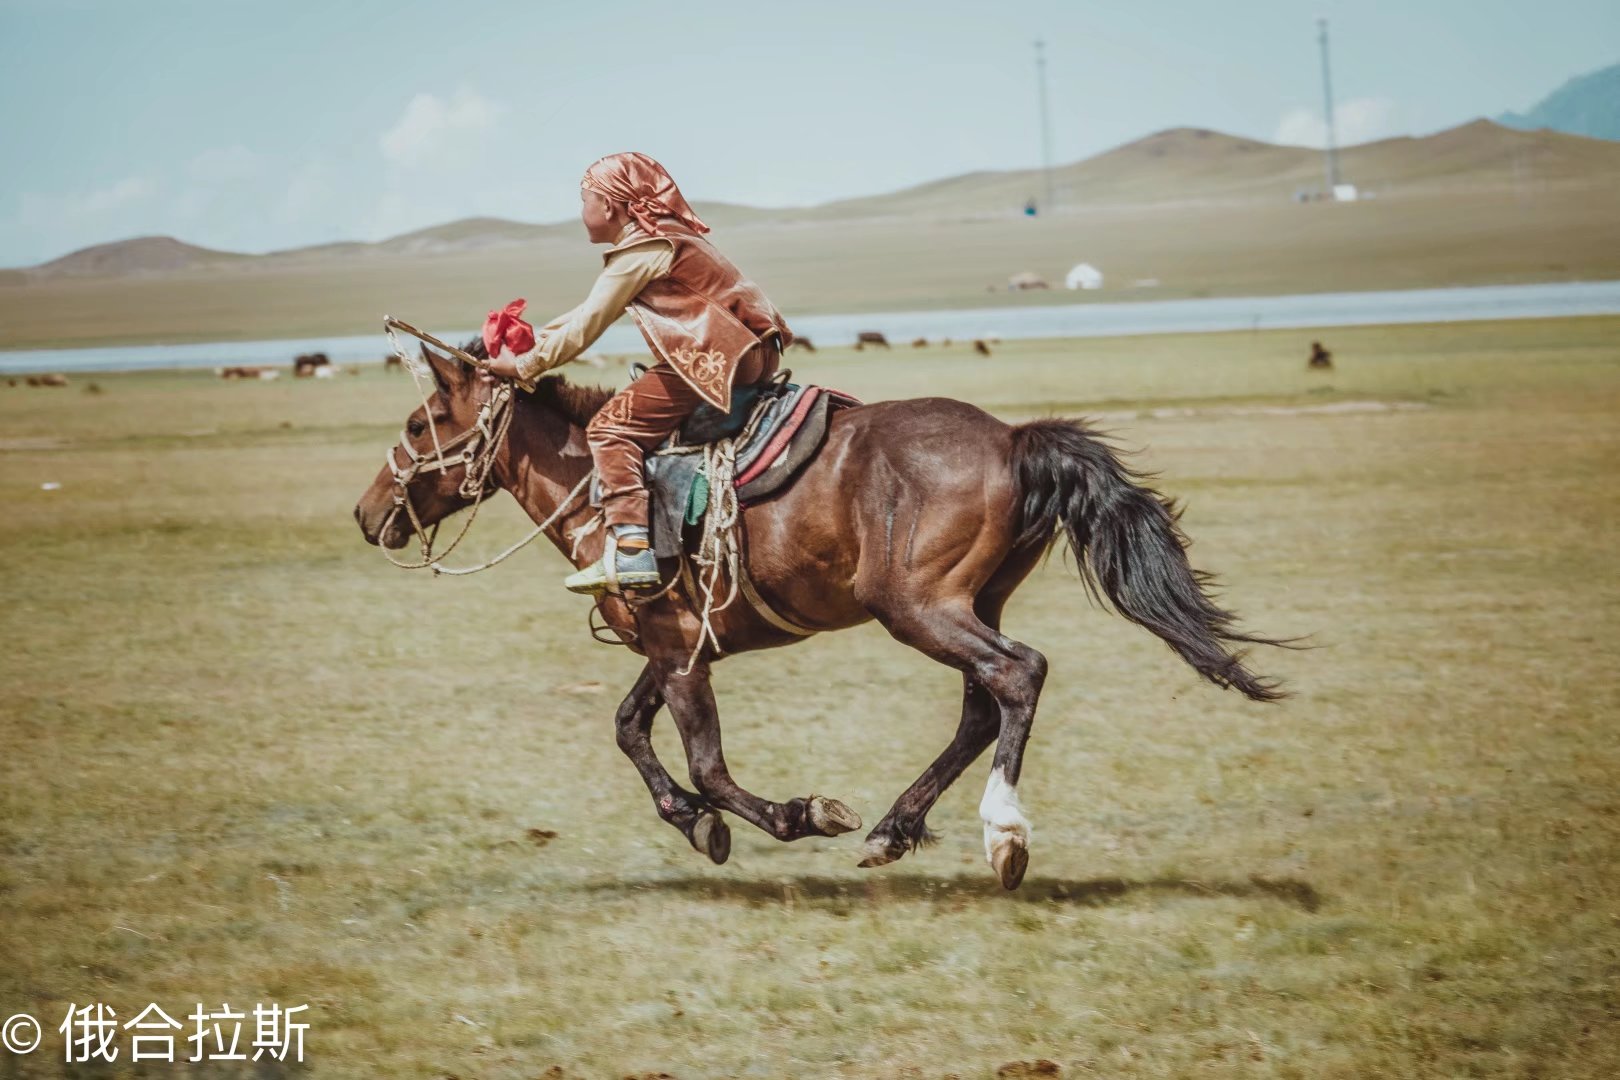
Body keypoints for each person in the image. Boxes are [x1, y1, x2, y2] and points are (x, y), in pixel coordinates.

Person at [483, 152, 793, 595]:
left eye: (584, 200)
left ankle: (631, 551)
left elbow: (590, 321)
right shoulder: (666, 236)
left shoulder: (643, 248)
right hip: (751, 353)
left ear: (609, 206)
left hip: (712, 357)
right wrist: (531, 349)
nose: (582, 211)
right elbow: (586, 313)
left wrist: (525, 366)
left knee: (609, 428)